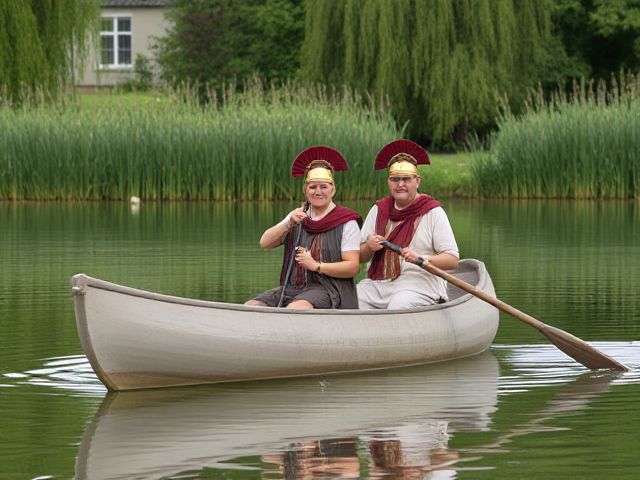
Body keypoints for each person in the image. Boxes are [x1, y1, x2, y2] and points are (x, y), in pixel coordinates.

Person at [245, 146, 362, 309]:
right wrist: (288, 224)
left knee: (295, 309)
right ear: (305, 190)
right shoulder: (297, 216)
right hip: (292, 289)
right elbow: (265, 243)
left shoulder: (346, 221)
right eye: (313, 187)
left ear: (333, 190)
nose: (318, 192)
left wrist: (316, 266)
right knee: (251, 306)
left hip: (330, 290)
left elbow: (352, 267)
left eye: (324, 187)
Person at [357, 140, 459, 309]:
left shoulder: (432, 211)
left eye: (406, 179)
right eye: (395, 179)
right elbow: (360, 257)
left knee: (398, 306)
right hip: (380, 282)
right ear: (389, 181)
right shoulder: (379, 209)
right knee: (353, 298)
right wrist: (368, 246)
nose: (400, 184)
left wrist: (421, 258)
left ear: (417, 181)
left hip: (420, 283)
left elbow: (452, 260)